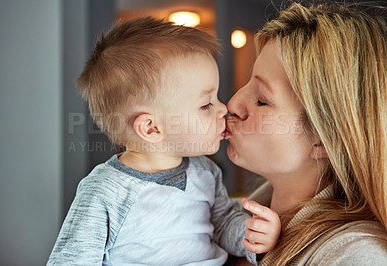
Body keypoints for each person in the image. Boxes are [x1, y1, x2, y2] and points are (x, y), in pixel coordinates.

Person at [47, 17, 281, 265]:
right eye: (206, 104)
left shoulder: (205, 171)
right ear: (151, 127)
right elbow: (72, 259)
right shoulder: (105, 190)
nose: (224, 109)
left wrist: (251, 236)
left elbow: (222, 225)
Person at [225, 2, 387, 265]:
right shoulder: (234, 217)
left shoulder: (355, 256)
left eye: (262, 101)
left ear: (325, 139)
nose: (232, 104)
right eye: (247, 82)